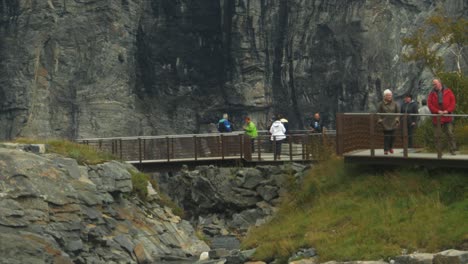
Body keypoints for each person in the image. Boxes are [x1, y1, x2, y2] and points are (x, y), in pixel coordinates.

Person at [427, 78, 457, 155]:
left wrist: (448, 110)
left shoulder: (448, 91)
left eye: (435, 84)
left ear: (440, 83)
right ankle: (439, 151)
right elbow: (430, 104)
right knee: (437, 135)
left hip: (447, 116)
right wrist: (437, 111)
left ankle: (452, 149)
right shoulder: (431, 93)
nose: (434, 86)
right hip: (437, 117)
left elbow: (453, 102)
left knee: (449, 133)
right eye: (433, 84)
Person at [377, 89, 400, 155]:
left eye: (390, 95)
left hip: (393, 122)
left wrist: (397, 119)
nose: (390, 97)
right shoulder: (381, 104)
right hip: (385, 123)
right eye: (388, 95)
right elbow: (378, 113)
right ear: (385, 96)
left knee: (393, 136)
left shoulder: (395, 104)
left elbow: (398, 112)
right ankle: (386, 149)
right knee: (387, 136)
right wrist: (379, 120)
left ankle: (390, 147)